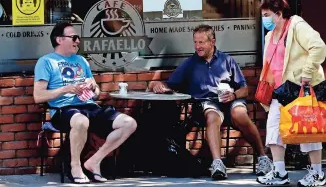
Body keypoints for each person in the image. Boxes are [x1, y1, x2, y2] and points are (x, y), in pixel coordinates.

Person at [149, 24, 272, 180]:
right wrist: (155, 85)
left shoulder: (227, 60)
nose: (197, 46)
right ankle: (217, 164)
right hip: (207, 104)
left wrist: (233, 95)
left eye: (201, 42)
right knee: (212, 116)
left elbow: (244, 89)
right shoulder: (190, 64)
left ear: (212, 42)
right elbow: (169, 84)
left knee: (239, 114)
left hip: (231, 100)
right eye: (195, 42)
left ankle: (263, 158)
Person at [33, 22, 137, 184]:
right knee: (81, 121)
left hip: (89, 106)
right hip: (63, 109)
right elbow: (38, 96)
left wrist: (93, 86)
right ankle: (75, 166)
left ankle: (94, 161)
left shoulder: (81, 60)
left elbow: (96, 94)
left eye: (78, 38)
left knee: (129, 123)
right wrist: (65, 89)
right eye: (74, 37)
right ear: (59, 39)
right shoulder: (46, 62)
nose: (77, 41)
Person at [256, 0, 326, 187]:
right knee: (273, 129)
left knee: (308, 130)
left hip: (301, 87)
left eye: (267, 15)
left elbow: (319, 47)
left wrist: (307, 72)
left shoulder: (297, 26)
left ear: (279, 14)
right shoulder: (270, 36)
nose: (265, 19)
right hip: (281, 90)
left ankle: (318, 173)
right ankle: (279, 172)